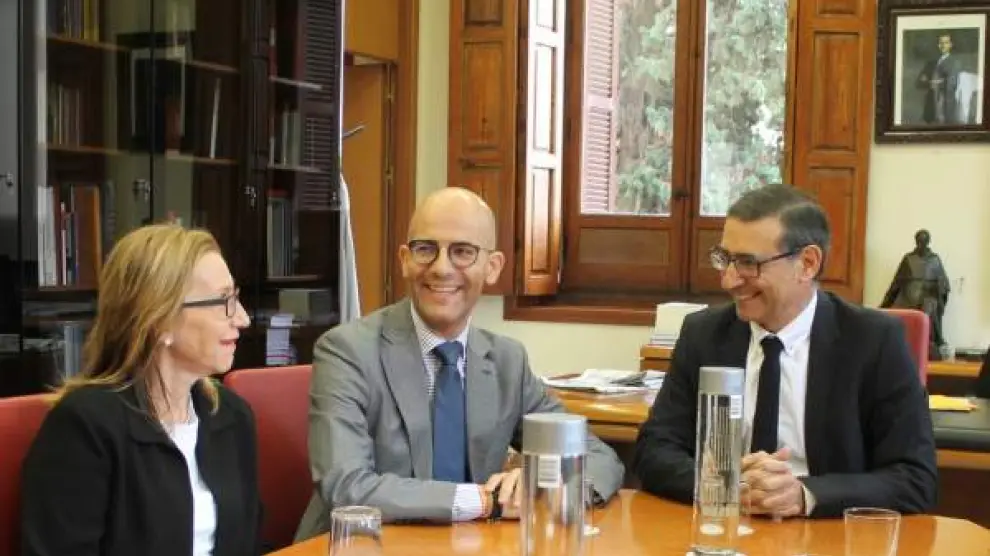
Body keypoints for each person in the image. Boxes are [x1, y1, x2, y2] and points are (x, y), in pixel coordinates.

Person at [294, 187, 624, 539]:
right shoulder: (346, 351)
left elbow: (595, 456)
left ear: (492, 267)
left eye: (463, 252)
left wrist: (543, 486)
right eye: (426, 249)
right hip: (362, 545)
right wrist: (485, 501)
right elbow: (348, 486)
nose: (441, 268)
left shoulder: (507, 361)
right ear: (405, 259)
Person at [633, 184, 937, 518]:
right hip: (726, 525)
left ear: (807, 264)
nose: (729, 281)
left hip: (826, 531)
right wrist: (727, 484)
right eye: (725, 259)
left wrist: (805, 495)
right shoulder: (703, 334)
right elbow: (654, 450)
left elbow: (914, 478)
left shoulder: (874, 341)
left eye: (748, 263)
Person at [20, 224, 262, 556]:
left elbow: (252, 544)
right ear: (160, 320)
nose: (244, 319)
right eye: (224, 301)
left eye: (236, 298)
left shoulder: (231, 415)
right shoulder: (84, 427)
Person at [881, 229, 951, 358]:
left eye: (923, 242)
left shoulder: (935, 260)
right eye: (919, 241)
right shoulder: (908, 259)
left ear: (928, 242)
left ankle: (932, 342)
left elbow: (944, 284)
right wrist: (885, 304)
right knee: (898, 316)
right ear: (916, 241)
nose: (921, 245)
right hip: (908, 297)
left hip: (929, 297)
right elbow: (897, 283)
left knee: (929, 307)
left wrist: (941, 288)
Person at [916, 32, 960, 124]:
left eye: (946, 43)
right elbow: (919, 82)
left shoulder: (954, 63)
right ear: (938, 45)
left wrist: (932, 81)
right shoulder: (930, 63)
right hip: (930, 107)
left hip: (945, 107)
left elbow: (952, 84)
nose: (943, 45)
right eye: (941, 43)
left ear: (951, 45)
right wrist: (934, 82)